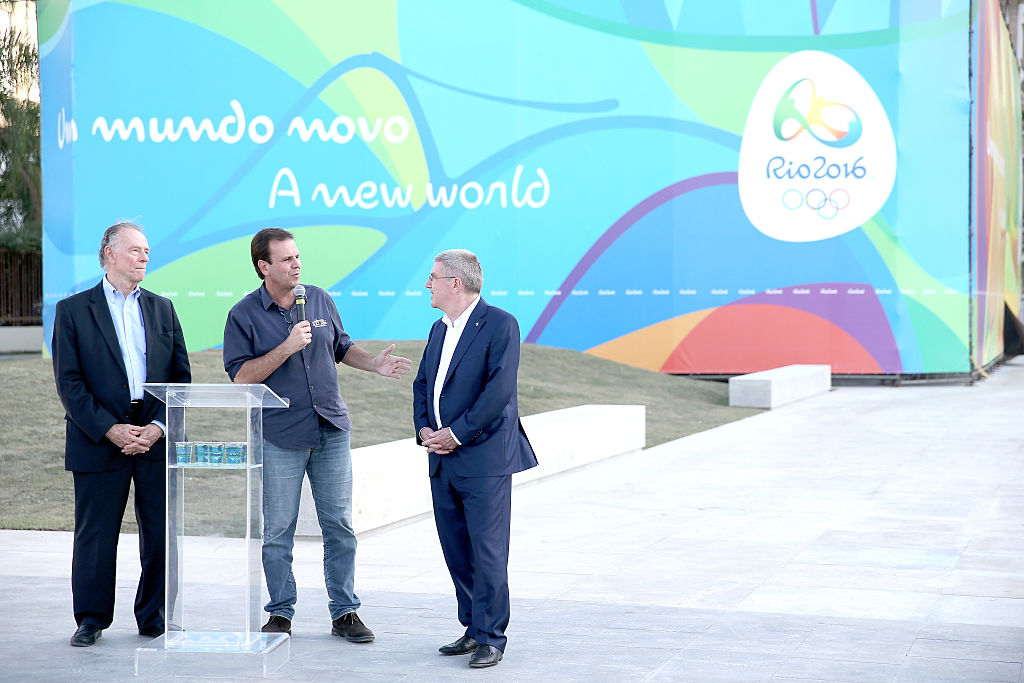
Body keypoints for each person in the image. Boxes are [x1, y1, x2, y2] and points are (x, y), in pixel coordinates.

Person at [222, 227, 411, 641]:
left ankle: (345, 612)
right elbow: (241, 377)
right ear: (263, 267)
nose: (297, 264)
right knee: (278, 530)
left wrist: (372, 364)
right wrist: (286, 347)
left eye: (297, 256)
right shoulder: (243, 314)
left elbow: (342, 347)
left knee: (339, 525)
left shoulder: (319, 298)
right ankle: (281, 613)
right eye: (287, 259)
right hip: (280, 434)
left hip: (330, 427)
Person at [52, 222, 192, 647]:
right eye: (135, 250)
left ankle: (154, 617)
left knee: (160, 534)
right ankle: (91, 619)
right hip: (98, 436)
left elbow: (180, 379)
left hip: (153, 436)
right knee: (96, 535)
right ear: (109, 253)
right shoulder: (74, 310)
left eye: (147, 251)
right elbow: (69, 383)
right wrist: (110, 429)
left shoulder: (163, 308)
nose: (144, 257)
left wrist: (158, 428)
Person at [412, 249, 538, 668]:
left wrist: (457, 434)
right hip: (441, 458)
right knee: (456, 548)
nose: (427, 284)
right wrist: (425, 429)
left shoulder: (501, 324)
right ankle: (472, 627)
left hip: (483, 459)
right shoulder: (438, 328)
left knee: (487, 551)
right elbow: (423, 384)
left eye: (433, 277)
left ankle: (492, 636)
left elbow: (498, 392)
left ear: (456, 283)